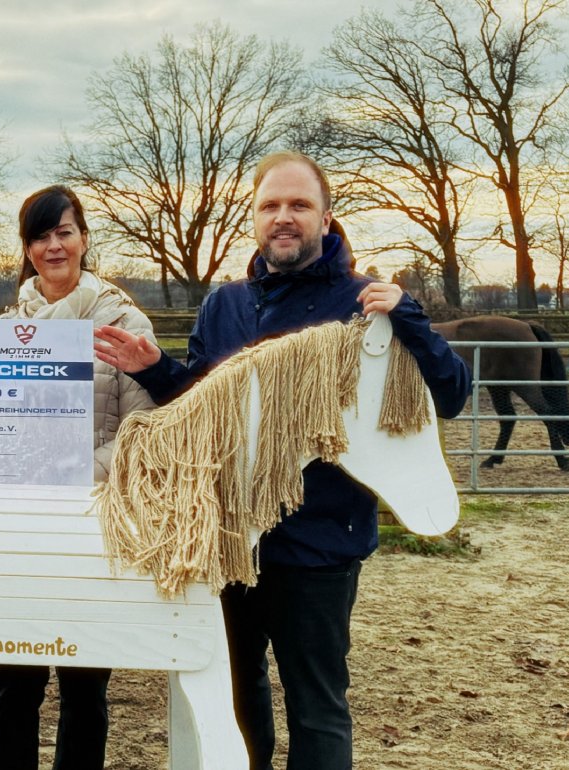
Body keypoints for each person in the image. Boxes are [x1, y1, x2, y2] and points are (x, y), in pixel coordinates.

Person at [92, 151, 471, 770]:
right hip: (227, 541)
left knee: (317, 707)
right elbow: (201, 409)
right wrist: (155, 369)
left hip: (319, 541)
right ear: (254, 219)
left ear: (326, 217)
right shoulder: (226, 305)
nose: (284, 217)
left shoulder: (366, 302)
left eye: (299, 205)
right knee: (236, 701)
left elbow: (451, 395)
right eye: (270, 206)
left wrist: (410, 320)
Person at [0, 185, 156, 770]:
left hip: (92, 518)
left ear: (84, 238)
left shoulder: (122, 322)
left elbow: (144, 427)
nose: (54, 246)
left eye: (64, 232)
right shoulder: (8, 326)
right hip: (22, 527)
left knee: (85, 684)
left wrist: (77, 474)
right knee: (14, 683)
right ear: (27, 248)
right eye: (41, 235)